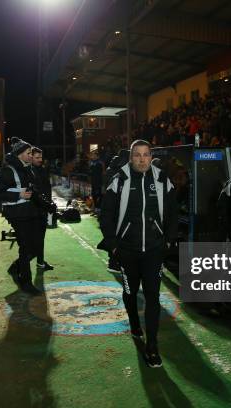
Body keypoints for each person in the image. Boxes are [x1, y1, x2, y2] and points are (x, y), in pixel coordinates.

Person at [99, 140, 178, 368]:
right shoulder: (120, 180)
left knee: (153, 296)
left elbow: (173, 210)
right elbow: (106, 214)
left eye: (145, 155)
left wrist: (169, 240)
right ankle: (134, 323)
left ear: (150, 156)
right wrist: (114, 246)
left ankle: (152, 345)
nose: (142, 159)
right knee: (130, 292)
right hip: (127, 251)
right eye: (137, 155)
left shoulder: (162, 179)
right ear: (131, 157)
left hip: (154, 250)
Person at [0, 139, 43, 294]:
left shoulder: (27, 168)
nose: (31, 155)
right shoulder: (8, 170)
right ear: (19, 154)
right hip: (16, 214)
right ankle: (26, 282)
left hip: (29, 211)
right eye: (28, 153)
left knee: (35, 247)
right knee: (26, 247)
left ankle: (16, 267)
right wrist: (19, 194)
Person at [31, 147, 54, 271]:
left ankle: (40, 262)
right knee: (34, 241)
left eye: (41, 157)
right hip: (33, 210)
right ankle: (17, 266)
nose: (40, 160)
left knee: (41, 238)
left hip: (43, 208)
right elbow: (34, 193)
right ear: (31, 157)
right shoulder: (29, 171)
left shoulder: (43, 170)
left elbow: (47, 188)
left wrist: (50, 202)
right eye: (37, 157)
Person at [88, 150, 104, 214]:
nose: (92, 156)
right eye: (92, 155)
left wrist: (101, 183)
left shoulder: (99, 163)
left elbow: (101, 173)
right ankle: (96, 208)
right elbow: (90, 172)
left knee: (98, 195)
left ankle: (98, 208)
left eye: (94, 155)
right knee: (94, 195)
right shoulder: (92, 163)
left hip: (98, 182)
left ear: (97, 156)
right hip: (93, 182)